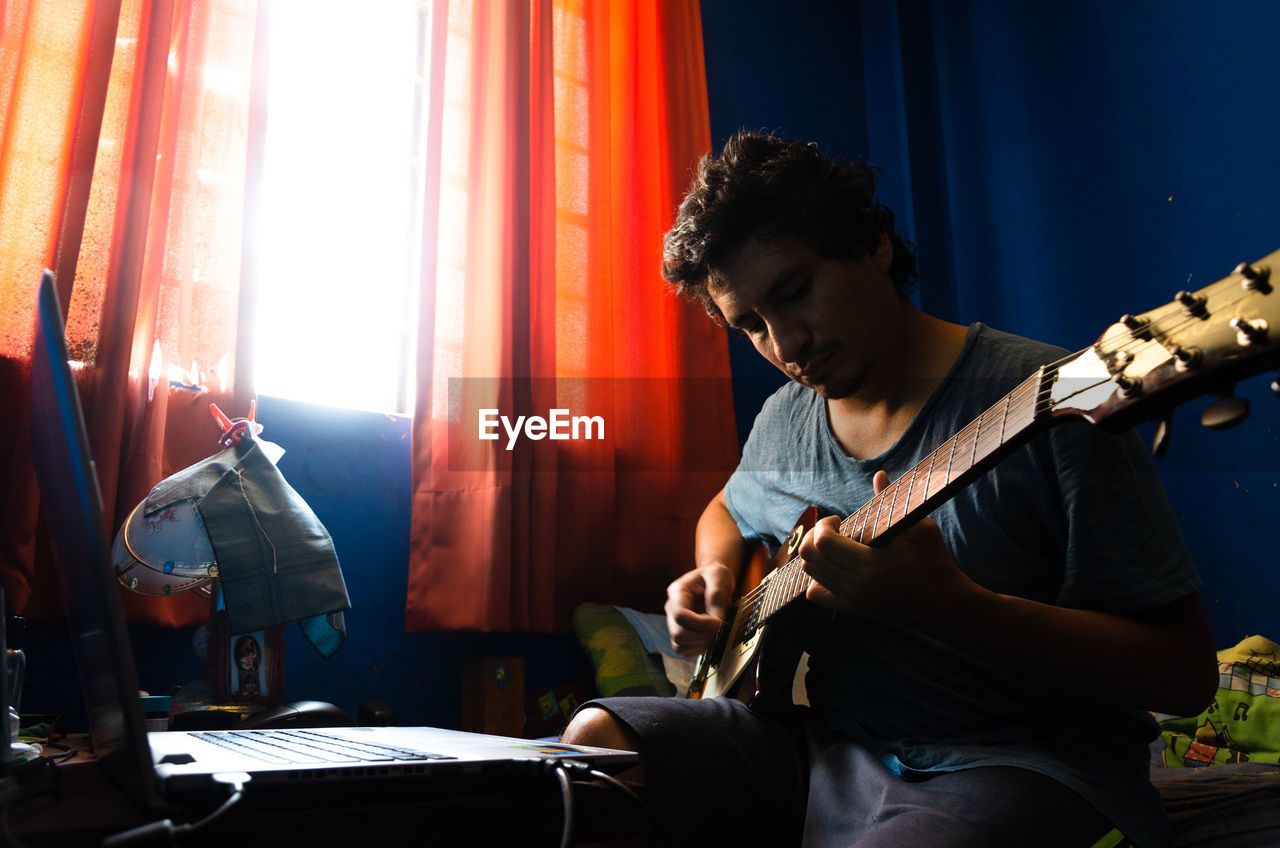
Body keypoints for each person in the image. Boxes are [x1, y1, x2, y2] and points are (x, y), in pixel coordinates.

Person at [561, 131, 1218, 847]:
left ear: (873, 245)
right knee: (595, 746)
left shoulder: (1058, 399)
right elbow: (726, 508)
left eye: (794, 292)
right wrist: (717, 577)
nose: (786, 346)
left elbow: (1184, 678)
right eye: (750, 325)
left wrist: (955, 610)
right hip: (824, 747)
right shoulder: (784, 420)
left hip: (1023, 763)